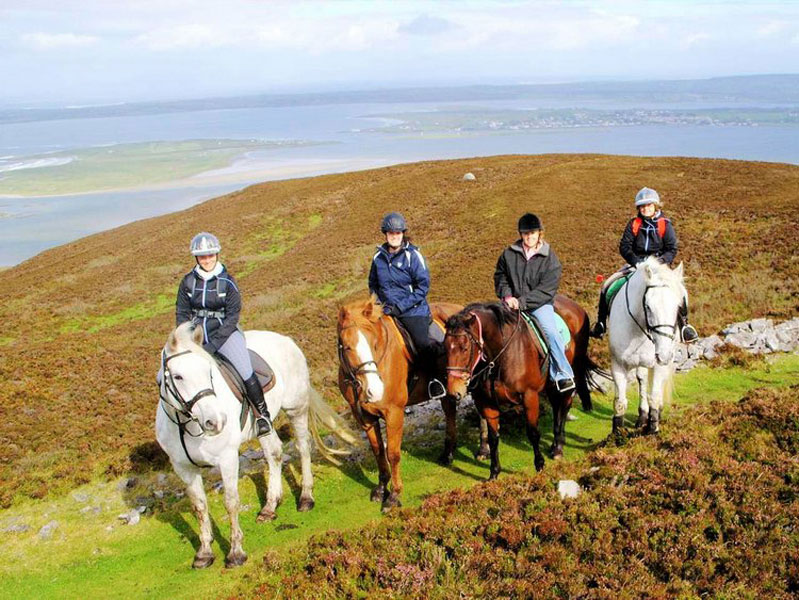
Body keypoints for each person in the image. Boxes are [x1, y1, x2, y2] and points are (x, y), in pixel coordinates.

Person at [176, 232, 273, 436]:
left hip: (225, 334)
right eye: (202, 257)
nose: (207, 260)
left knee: (244, 369)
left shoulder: (228, 282)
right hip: (196, 337)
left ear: (216, 255)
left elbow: (232, 316)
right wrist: (186, 339)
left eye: (210, 255)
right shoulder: (187, 282)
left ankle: (262, 416)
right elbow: (182, 313)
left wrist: (213, 345)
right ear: (196, 258)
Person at [589, 187, 698, 342]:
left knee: (680, 290)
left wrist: (659, 262)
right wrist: (637, 262)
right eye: (642, 206)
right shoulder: (634, 224)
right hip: (636, 265)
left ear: (655, 206)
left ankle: (685, 325)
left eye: (649, 205)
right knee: (607, 285)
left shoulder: (665, 224)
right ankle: (601, 324)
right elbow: (624, 247)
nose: (645, 209)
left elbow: (671, 248)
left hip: (659, 267)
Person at [494, 213, 576, 394]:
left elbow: (547, 289)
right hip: (511, 303)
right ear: (521, 234)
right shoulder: (508, 254)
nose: (529, 237)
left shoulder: (550, 258)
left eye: (532, 233)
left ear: (540, 233)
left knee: (551, 332)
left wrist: (522, 302)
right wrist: (507, 296)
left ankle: (562, 374)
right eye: (525, 233)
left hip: (539, 305)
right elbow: (501, 277)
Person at [368, 212, 446, 400]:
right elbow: (373, 284)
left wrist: (400, 307)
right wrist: (378, 304)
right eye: (391, 233)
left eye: (398, 233)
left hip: (413, 311)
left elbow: (422, 287)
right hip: (386, 310)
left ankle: (435, 381)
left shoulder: (413, 255)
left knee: (422, 344)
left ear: (403, 233)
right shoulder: (378, 257)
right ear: (385, 234)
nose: (394, 236)